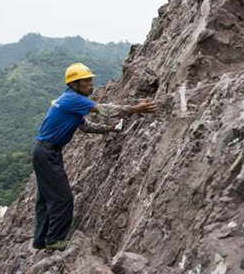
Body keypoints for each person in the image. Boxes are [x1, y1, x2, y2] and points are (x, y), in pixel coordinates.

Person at [32, 63, 157, 251]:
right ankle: (55, 240)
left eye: (91, 81)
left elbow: (85, 126)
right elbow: (105, 109)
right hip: (47, 153)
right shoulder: (73, 99)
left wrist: (109, 129)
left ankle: (41, 240)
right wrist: (134, 108)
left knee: (45, 199)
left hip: (43, 152)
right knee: (62, 197)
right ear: (75, 84)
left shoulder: (70, 101)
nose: (91, 85)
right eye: (87, 82)